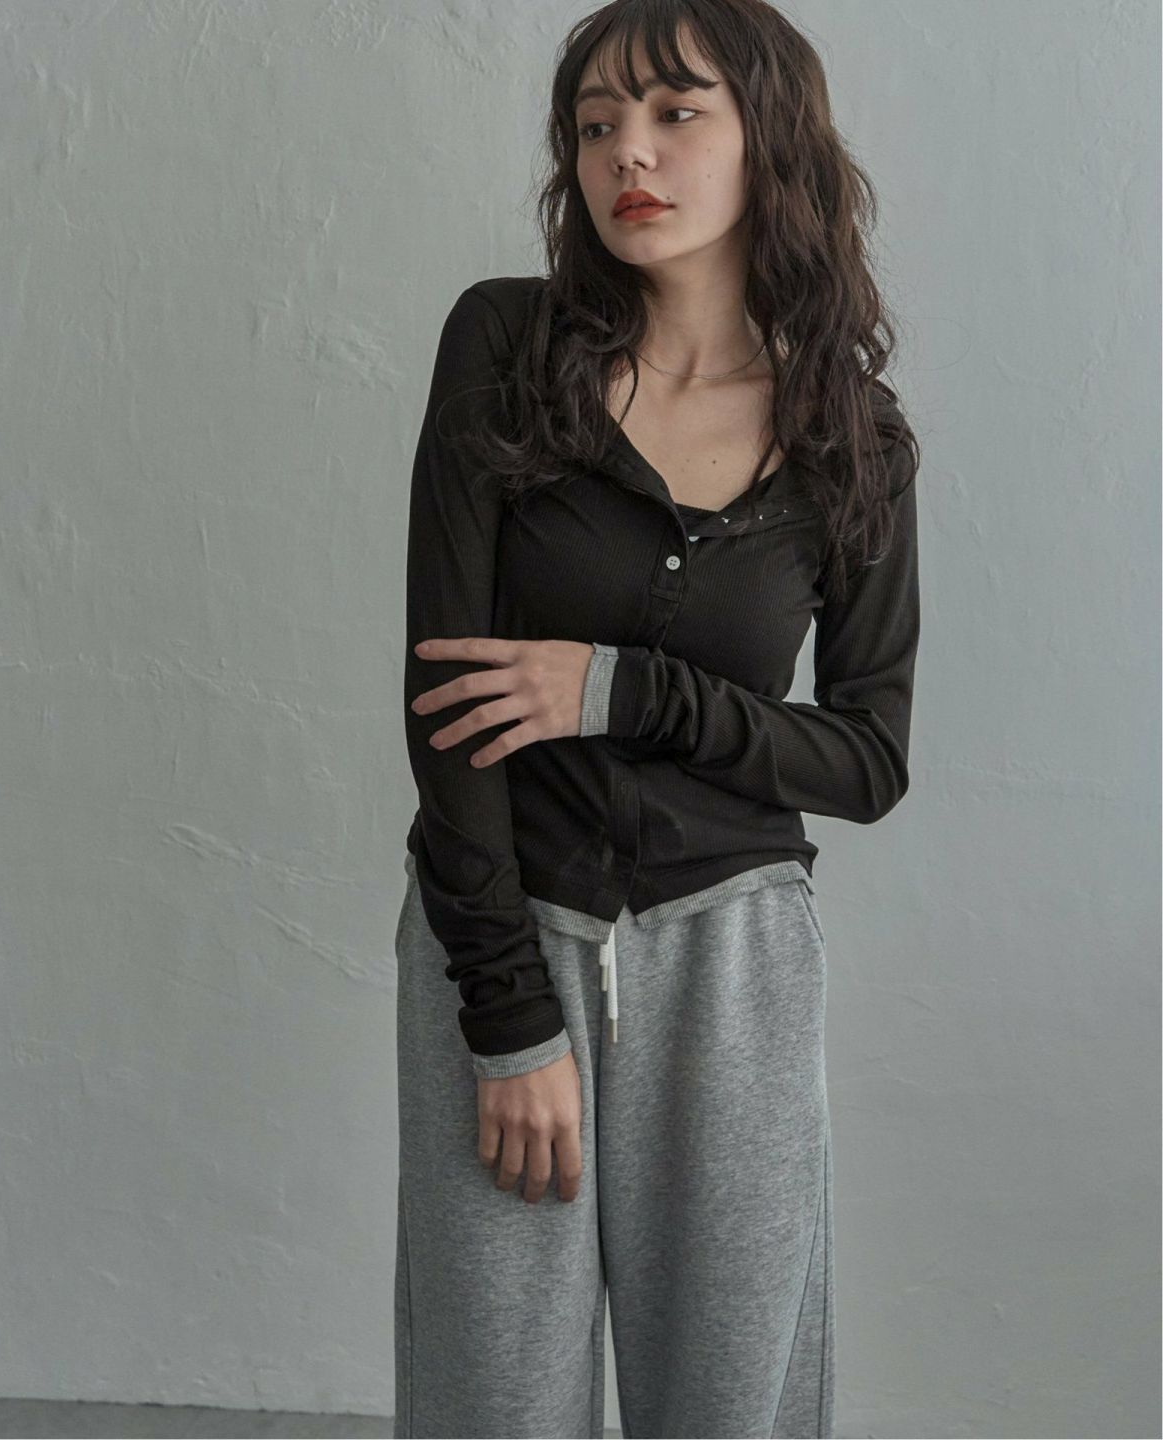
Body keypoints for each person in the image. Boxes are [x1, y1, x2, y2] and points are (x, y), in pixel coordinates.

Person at [394, 2, 921, 1435]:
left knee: (733, 1406)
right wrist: (508, 1017)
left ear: (770, 141)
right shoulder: (503, 343)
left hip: (736, 965)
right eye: (596, 124)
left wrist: (623, 688)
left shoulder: (852, 437)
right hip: (507, 937)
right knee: (494, 1402)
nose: (629, 151)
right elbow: (446, 702)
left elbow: (870, 759)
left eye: (677, 112)